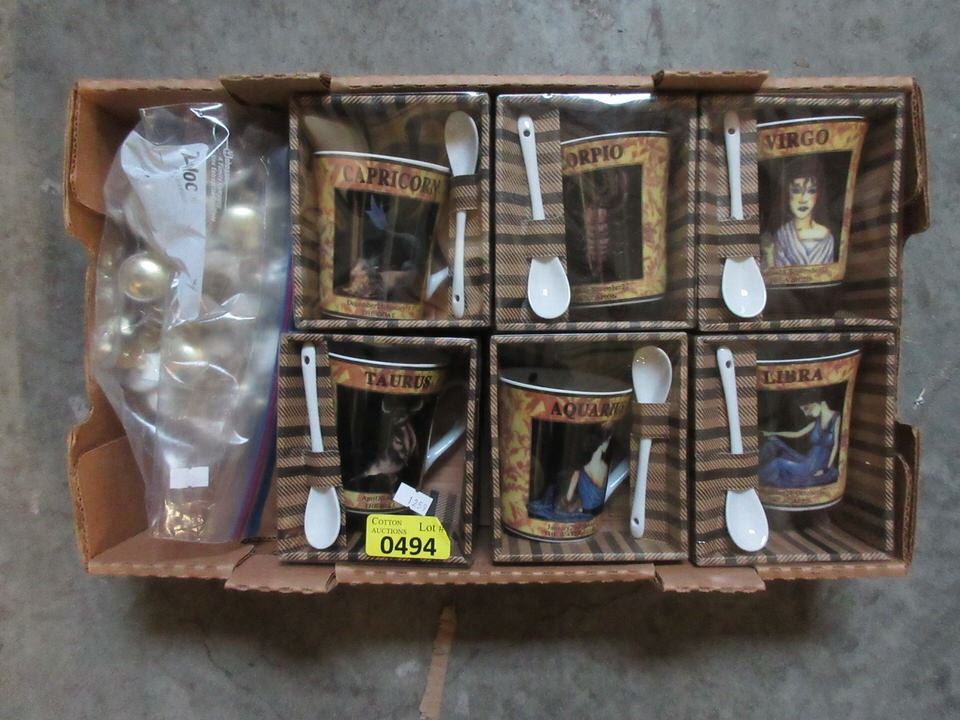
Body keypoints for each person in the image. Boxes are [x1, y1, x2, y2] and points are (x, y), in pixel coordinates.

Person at [761, 157, 836, 268]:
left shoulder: (827, 238)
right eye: (796, 191)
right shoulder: (782, 235)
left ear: (818, 195)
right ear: (787, 194)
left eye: (811, 191)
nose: (803, 199)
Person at [759, 398, 841, 488]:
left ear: (817, 402)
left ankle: (755, 479)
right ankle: (755, 470)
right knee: (773, 442)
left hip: (814, 468)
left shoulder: (836, 417)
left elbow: (835, 446)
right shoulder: (815, 424)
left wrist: (825, 469)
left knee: (777, 463)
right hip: (808, 461)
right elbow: (796, 434)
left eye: (806, 408)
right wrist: (772, 433)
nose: (806, 414)